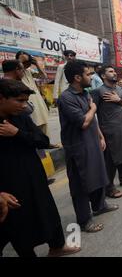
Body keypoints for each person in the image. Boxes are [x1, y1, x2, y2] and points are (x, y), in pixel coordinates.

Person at [0, 79, 80, 257]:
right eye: (19, 101)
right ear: (1, 98)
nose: (24, 105)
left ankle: (57, 247)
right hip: (10, 186)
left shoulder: (21, 118)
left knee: (48, 212)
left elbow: (42, 141)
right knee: (19, 225)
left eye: (25, 100)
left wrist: (17, 133)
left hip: (34, 177)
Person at [58, 60, 118, 233]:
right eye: (88, 74)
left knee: (98, 174)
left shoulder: (85, 93)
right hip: (78, 147)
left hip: (92, 141)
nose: (91, 77)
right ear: (77, 77)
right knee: (80, 184)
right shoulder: (66, 98)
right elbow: (84, 122)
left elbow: (93, 121)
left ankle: (100, 205)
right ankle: (84, 220)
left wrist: (100, 136)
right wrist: (93, 107)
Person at [91, 66, 122, 199]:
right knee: (111, 160)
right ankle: (109, 187)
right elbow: (92, 112)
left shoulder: (120, 90)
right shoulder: (98, 92)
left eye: (114, 71)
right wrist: (98, 134)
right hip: (109, 130)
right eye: (110, 72)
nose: (114, 73)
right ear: (103, 76)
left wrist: (119, 100)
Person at [15, 52, 50, 138]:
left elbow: (44, 77)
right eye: (24, 61)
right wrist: (20, 61)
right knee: (33, 125)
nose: (26, 63)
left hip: (38, 101)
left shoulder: (29, 71)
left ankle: (45, 144)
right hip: (28, 103)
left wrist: (37, 64)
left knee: (44, 123)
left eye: (28, 61)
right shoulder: (16, 72)